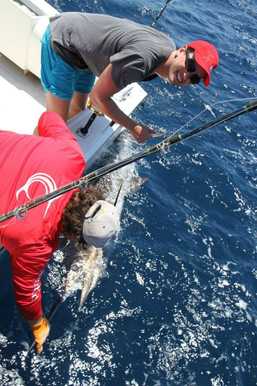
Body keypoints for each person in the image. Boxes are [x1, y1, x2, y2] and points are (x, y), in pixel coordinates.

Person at [0, 111, 120, 353]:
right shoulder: (37, 244)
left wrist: (36, 147)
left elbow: (48, 118)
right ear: (76, 236)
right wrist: (37, 324)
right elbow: (25, 293)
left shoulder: (73, 156)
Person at [40, 12, 219, 143]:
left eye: (195, 78)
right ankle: (31, 158)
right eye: (190, 65)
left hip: (85, 57)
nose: (187, 75)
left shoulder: (167, 49)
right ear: (182, 51)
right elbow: (98, 97)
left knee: (78, 110)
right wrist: (134, 127)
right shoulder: (145, 59)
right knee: (54, 128)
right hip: (63, 43)